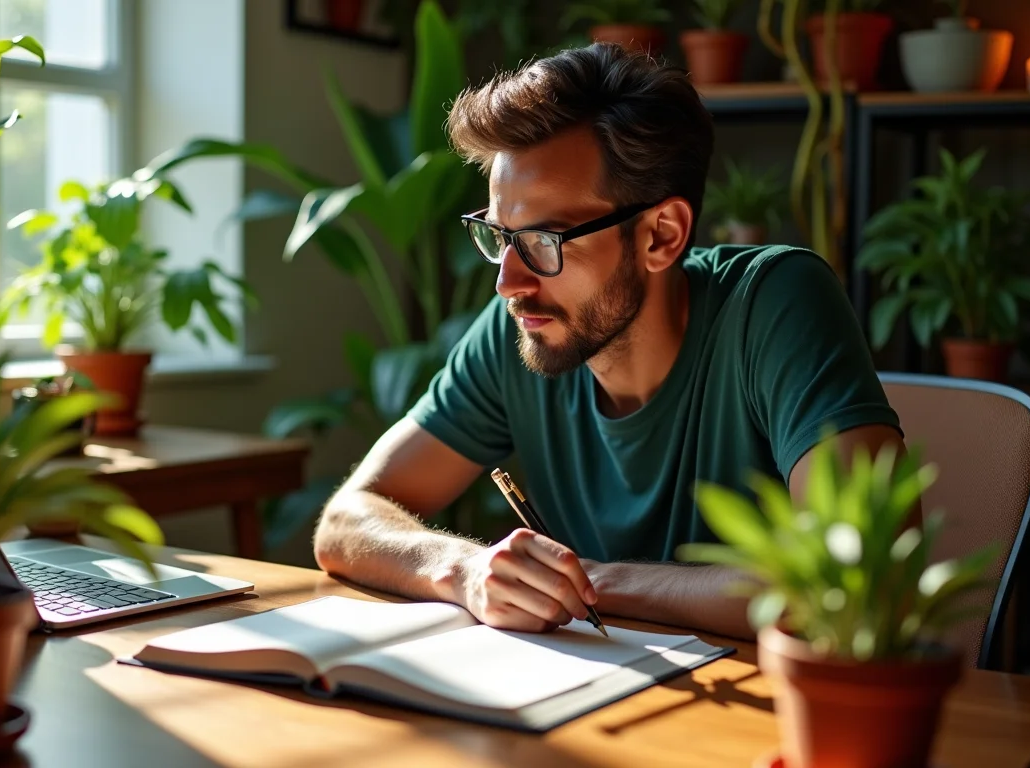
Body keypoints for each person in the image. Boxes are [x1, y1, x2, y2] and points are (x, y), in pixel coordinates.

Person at [312, 43, 910, 640]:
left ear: (662, 235)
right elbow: (346, 520)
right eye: (499, 235)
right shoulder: (522, 325)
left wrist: (591, 581)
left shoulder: (774, 302)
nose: (507, 283)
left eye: (544, 241)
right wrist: (464, 568)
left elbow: (852, 577)